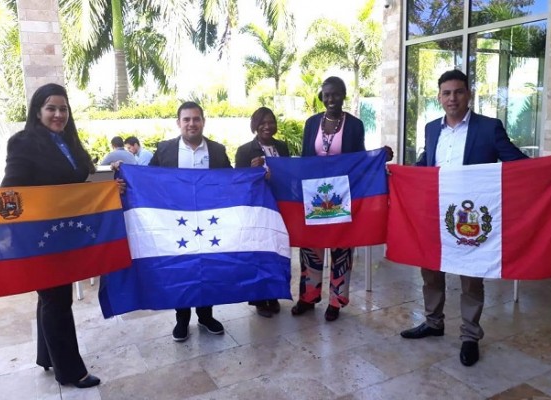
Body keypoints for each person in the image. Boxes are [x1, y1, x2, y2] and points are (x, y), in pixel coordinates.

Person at [398, 69, 551, 367]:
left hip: (470, 216)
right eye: (446, 93)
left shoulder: (488, 127)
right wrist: (401, 174)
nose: (452, 98)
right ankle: (433, 322)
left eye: (458, 92)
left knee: (471, 276)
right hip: (437, 212)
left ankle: (470, 335)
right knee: (430, 269)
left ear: (469, 95)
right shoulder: (431, 129)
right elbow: (425, 165)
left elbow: (519, 164)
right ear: (439, 97)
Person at [1, 83, 101, 388]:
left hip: (65, 236)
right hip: (39, 238)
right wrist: (15, 231)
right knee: (57, 300)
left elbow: (77, 182)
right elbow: (10, 191)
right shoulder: (23, 142)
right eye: (51, 108)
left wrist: (108, 186)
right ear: (37, 111)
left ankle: (48, 356)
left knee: (52, 298)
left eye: (63, 109)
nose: (58, 114)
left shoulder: (68, 141)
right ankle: (72, 372)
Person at [290, 76, 393, 322]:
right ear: (322, 97)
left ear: (343, 95)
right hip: (314, 194)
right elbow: (305, 159)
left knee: (341, 245)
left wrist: (379, 157)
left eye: (336, 94)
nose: (331, 99)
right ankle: (308, 296)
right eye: (326, 94)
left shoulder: (355, 125)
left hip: (342, 195)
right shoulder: (312, 122)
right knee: (311, 245)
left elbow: (358, 159)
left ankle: (336, 300)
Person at [149, 101, 232, 342]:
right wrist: (123, 173)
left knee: (207, 267)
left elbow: (230, 180)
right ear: (178, 123)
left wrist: (257, 175)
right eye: (186, 120)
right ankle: (182, 319)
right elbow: (149, 179)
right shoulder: (165, 150)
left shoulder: (217, 150)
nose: (191, 124)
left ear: (203, 122)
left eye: (196, 119)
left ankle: (206, 315)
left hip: (209, 223)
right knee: (182, 269)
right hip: (177, 223)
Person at [235, 107, 290, 318]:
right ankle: (259, 297)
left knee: (276, 251)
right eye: (262, 122)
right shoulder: (244, 151)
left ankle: (273, 294)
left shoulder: (282, 147)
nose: (268, 126)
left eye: (271, 122)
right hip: (256, 209)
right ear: (255, 125)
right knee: (258, 252)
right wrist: (251, 170)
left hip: (279, 206)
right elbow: (238, 182)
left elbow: (290, 176)